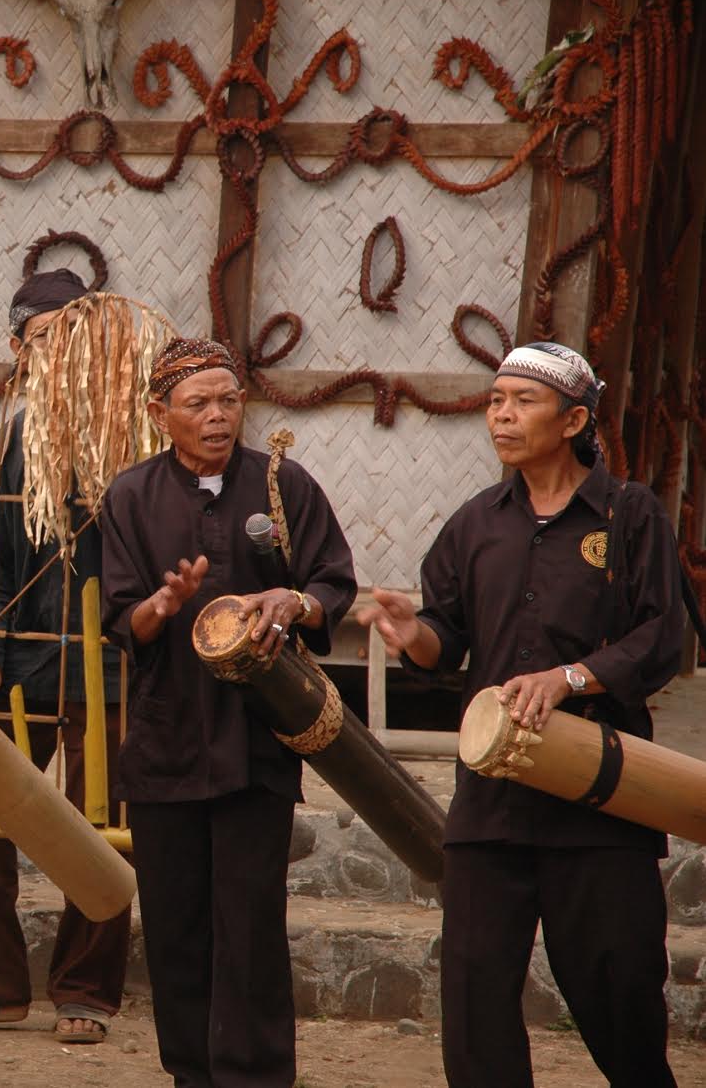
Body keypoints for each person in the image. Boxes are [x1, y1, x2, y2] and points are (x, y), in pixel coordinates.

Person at [360, 342, 683, 1088]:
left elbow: (661, 638)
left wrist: (570, 679)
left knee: (622, 997)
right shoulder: (476, 524)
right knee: (474, 1000)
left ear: (573, 419)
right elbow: (447, 642)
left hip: (603, 799)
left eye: (522, 401)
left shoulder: (630, 515)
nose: (501, 415)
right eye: (495, 400)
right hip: (492, 803)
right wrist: (417, 638)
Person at [100, 338, 356, 1088]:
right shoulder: (131, 496)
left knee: (249, 929)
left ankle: (255, 1076)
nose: (217, 416)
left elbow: (331, 583)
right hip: (165, 738)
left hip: (258, 743)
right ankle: (190, 1073)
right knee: (176, 927)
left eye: (229, 400)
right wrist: (163, 603)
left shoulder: (283, 485)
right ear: (159, 414)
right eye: (197, 404)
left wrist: (294, 598)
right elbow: (124, 620)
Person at [0, 269, 130, 1044]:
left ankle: (86, 991)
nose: (61, 353)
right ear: (18, 349)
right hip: (20, 670)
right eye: (46, 339)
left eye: (79, 337)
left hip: (113, 670)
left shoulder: (132, 435)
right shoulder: (6, 444)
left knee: (102, 827)